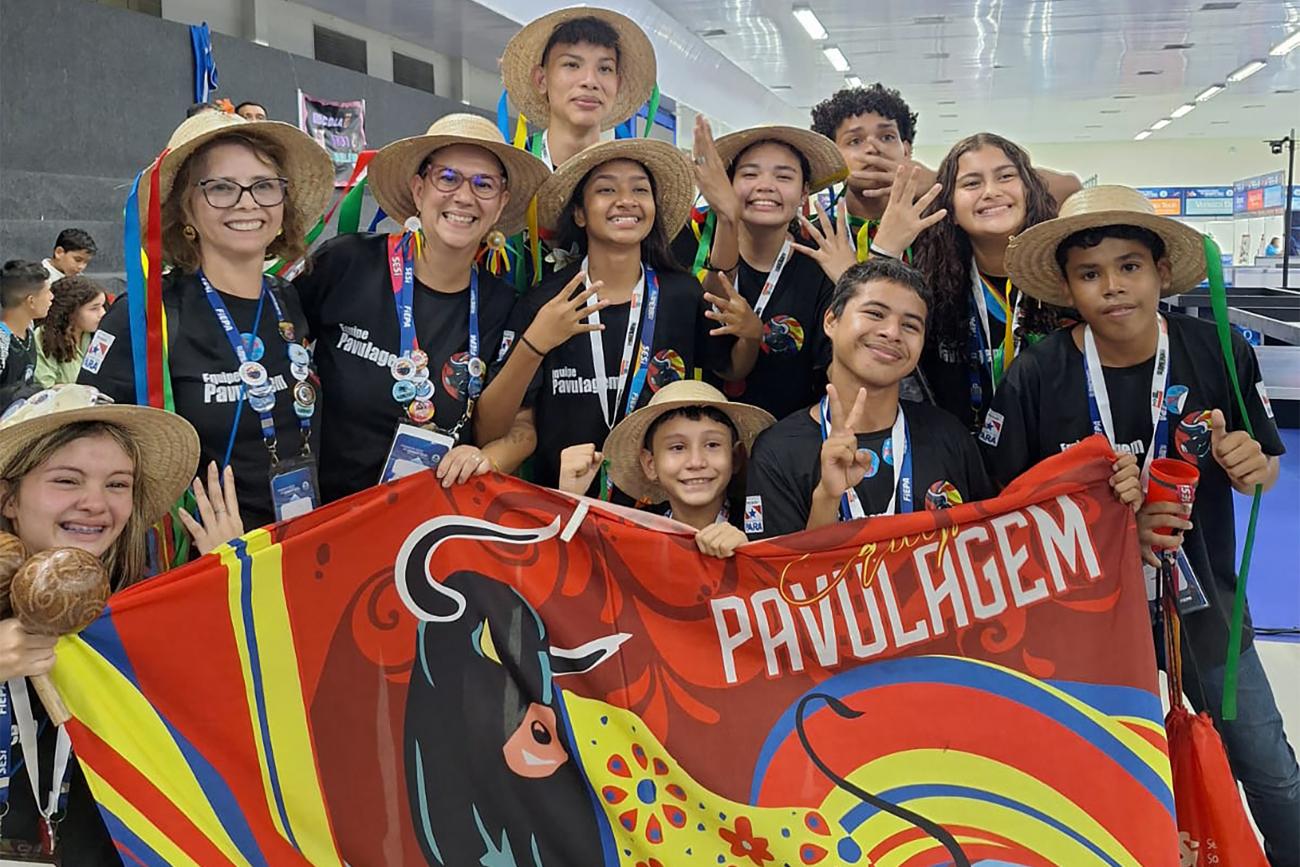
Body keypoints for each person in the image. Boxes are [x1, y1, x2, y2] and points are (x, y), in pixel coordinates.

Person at [986, 185, 1297, 865]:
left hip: (1204, 602)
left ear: (1160, 271)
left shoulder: (1218, 350)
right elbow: (1008, 513)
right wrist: (1107, 515)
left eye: (1129, 266)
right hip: (1083, 621)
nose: (1112, 287)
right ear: (1068, 287)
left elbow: (1264, 469)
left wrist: (1252, 465)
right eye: (1089, 274)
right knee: (1095, 783)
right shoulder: (1035, 376)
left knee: (1270, 769)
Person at [0, 384, 241, 863]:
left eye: (117, 484)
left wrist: (225, 602)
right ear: (8, 498)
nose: (96, 503)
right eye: (67, 480)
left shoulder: (140, 609)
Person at [79, 111, 333, 531]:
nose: (247, 202)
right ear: (187, 211)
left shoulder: (288, 299)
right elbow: (89, 449)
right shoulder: (147, 316)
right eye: (221, 188)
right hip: (202, 558)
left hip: (300, 543)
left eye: (264, 186)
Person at [475, 138, 760, 497]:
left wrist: (752, 336)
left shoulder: (681, 295)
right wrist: (535, 343)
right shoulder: (545, 303)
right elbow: (502, 426)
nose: (626, 200)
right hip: (567, 503)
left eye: (639, 189)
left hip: (661, 509)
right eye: (606, 189)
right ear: (580, 213)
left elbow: (730, 368)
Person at [293, 114, 550, 503]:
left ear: (500, 204)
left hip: (430, 525)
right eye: (447, 178)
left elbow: (523, 429)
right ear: (418, 189)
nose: (464, 197)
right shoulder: (347, 264)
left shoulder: (503, 307)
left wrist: (486, 459)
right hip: (326, 518)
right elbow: (278, 346)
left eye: (484, 184)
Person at [746, 258, 994, 539]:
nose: (892, 333)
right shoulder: (777, 451)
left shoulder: (950, 436)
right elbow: (779, 566)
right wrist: (827, 497)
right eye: (875, 314)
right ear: (831, 320)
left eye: (910, 326)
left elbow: (989, 547)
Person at [870, 133, 1075, 432]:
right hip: (958, 450)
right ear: (950, 209)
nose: (991, 192)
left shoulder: (1066, 281)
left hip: (1056, 449)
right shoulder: (930, 289)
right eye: (971, 183)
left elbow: (1072, 184)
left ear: (1029, 192)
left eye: (1006, 176)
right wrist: (883, 252)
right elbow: (873, 340)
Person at [680, 120, 850, 419]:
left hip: (792, 435)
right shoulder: (689, 250)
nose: (766, 185)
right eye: (750, 174)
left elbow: (839, 372)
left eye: (784, 176)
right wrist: (727, 218)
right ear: (728, 185)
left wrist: (853, 284)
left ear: (804, 193)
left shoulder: (822, 269)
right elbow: (715, 341)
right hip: (706, 433)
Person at [559, 380, 773, 557]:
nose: (696, 462)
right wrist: (569, 499)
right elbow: (578, 574)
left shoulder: (765, 527)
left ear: (736, 457)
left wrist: (753, 555)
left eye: (712, 445)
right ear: (650, 464)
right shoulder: (631, 534)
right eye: (677, 448)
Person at [500, 7, 656, 171]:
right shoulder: (508, 171)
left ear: (618, 84)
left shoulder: (627, 177)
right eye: (572, 65)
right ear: (541, 80)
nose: (590, 81)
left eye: (605, 68)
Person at [35, 276, 107, 387]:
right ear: (70, 311)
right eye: (94, 308)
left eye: (102, 306)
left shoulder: (99, 335)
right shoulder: (44, 337)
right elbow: (45, 386)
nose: (102, 313)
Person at [0, 261, 52, 409]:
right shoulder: (2, 341)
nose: (52, 297)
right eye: (48, 291)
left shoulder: (28, 328)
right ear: (31, 301)